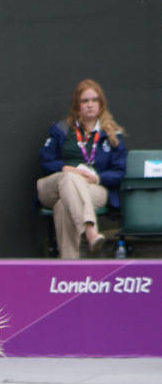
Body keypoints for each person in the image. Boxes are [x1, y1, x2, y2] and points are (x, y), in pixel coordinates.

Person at [37, 79, 127, 259]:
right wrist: (65, 168)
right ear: (76, 105)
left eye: (94, 100)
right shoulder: (62, 129)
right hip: (56, 185)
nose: (90, 105)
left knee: (63, 205)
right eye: (85, 101)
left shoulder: (112, 134)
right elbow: (45, 161)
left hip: (94, 188)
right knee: (70, 178)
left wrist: (98, 178)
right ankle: (90, 230)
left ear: (101, 104)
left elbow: (119, 172)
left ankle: (69, 266)